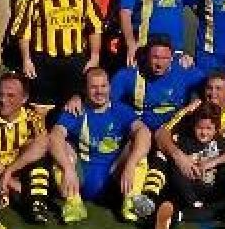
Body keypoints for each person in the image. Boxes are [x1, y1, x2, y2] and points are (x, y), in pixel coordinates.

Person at [145, 69, 225, 219]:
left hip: (218, 173)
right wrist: (180, 158)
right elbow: (160, 134)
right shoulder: (193, 111)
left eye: (218, 89)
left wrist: (211, 163)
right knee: (163, 151)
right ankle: (148, 199)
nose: (212, 93)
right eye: (209, 88)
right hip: (187, 171)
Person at [50, 68, 151, 223]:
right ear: (85, 89)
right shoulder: (76, 110)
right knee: (63, 147)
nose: (100, 91)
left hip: (115, 179)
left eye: (103, 86)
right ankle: (73, 204)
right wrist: (68, 169)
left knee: (137, 145)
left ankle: (130, 202)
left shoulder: (120, 109)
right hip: (81, 181)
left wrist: (130, 164)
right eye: (94, 87)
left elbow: (143, 131)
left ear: (110, 87)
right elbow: (55, 136)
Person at [13, 0, 102, 108]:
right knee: (40, 109)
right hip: (43, 60)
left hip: (74, 61)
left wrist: (94, 56)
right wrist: (26, 59)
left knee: (74, 107)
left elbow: (94, 27)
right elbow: (23, 30)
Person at [144, 106, 225, 227]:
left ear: (216, 129)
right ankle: (150, 199)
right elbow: (175, 169)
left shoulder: (221, 143)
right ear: (193, 127)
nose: (204, 132)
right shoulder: (185, 141)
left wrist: (212, 164)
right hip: (187, 189)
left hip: (211, 189)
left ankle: (175, 216)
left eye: (208, 128)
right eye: (200, 128)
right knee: (167, 159)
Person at [0, 73, 52, 224]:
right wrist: (15, 186)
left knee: (40, 160)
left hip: (22, 176)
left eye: (11, 96)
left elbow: (41, 147)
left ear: (24, 98)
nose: (3, 100)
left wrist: (9, 172)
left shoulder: (33, 118)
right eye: (0, 95)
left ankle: (36, 206)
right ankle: (22, 201)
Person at [108, 37, 205, 131]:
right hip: (143, 130)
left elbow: (212, 88)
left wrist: (196, 104)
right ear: (147, 57)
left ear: (172, 58)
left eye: (165, 58)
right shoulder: (129, 75)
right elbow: (110, 103)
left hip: (176, 128)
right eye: (155, 57)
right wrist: (131, 119)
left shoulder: (184, 70)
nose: (160, 64)